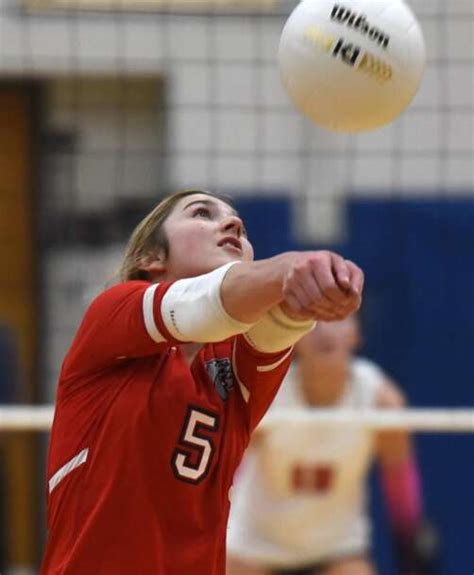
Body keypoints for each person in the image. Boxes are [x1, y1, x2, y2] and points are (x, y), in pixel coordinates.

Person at [39, 189, 364, 575]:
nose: (232, 224)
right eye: (202, 213)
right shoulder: (112, 316)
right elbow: (203, 306)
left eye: (238, 225)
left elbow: (279, 324)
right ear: (152, 257)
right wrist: (291, 270)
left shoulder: (235, 367)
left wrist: (318, 291)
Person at [227, 316, 429, 575]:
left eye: (338, 320)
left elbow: (399, 481)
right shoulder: (267, 393)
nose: (324, 331)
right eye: (312, 321)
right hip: (253, 547)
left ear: (357, 334)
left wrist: (412, 546)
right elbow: (229, 472)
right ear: (294, 336)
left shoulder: (381, 401)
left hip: (337, 551)